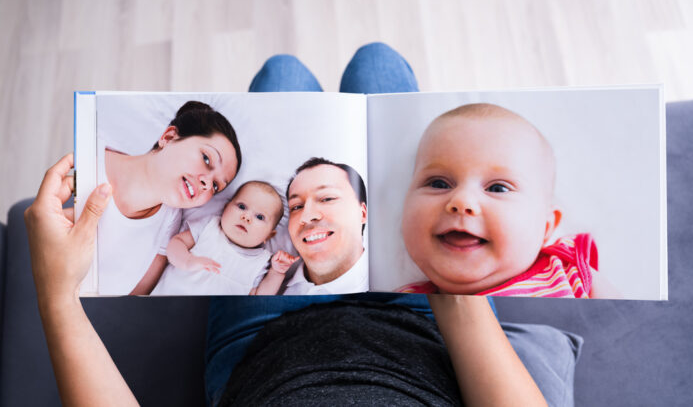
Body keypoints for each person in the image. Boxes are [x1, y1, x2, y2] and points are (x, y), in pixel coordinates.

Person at [27, 44, 578, 406]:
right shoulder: (406, 251)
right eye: (295, 204)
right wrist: (451, 273)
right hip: (424, 319)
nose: (301, 214)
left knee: (283, 73)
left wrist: (56, 295)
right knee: (377, 62)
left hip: (262, 336)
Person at [399, 103, 620, 298]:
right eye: (439, 184)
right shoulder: (397, 306)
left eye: (498, 188)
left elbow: (633, 328)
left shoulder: (570, 275)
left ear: (546, 228)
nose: (462, 200)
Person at [98, 100, 242, 295]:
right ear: (169, 136)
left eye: (216, 186)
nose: (207, 184)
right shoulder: (90, 156)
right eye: (206, 159)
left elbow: (136, 296)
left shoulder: (169, 224)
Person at [152, 180, 298, 295]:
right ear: (226, 207)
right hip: (166, 299)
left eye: (259, 217)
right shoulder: (209, 227)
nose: (246, 217)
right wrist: (187, 260)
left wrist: (277, 272)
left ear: (269, 235)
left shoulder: (261, 262)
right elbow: (176, 243)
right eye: (241, 206)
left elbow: (259, 296)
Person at [282, 157, 368, 295]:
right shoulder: (269, 291)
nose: (306, 216)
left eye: (327, 198)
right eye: (296, 206)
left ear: (362, 213)